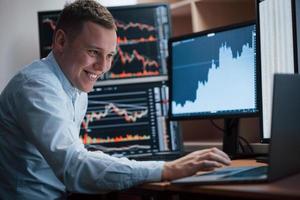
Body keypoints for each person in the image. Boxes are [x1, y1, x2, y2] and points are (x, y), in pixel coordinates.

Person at [0, 0, 231, 199]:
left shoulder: (74, 88)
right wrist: (166, 169)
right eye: (93, 52)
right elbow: (74, 166)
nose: (103, 67)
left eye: (109, 55)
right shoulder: (37, 87)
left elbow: (77, 155)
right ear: (60, 41)